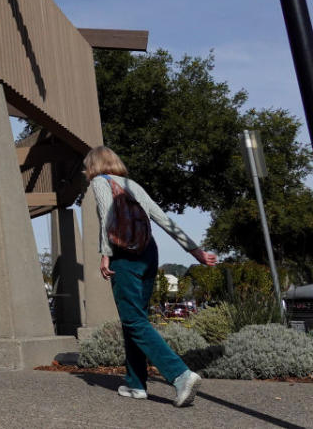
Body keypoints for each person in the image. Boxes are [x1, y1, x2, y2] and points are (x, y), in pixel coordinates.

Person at [85, 146, 218, 407]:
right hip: (148, 252)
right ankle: (136, 383)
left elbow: (107, 215)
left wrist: (105, 253)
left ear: (93, 165)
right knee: (136, 319)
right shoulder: (133, 185)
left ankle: (180, 375)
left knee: (133, 320)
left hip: (124, 253)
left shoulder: (100, 182)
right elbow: (163, 219)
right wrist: (196, 251)